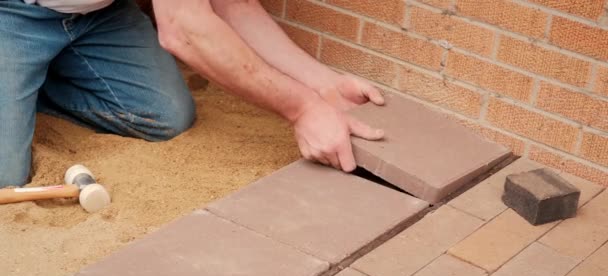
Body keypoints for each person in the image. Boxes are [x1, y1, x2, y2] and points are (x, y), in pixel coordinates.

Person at [0, 0, 385, 189]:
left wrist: (323, 85)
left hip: (98, 15)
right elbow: (183, 29)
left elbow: (232, 4)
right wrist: (302, 109)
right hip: (12, 11)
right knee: (7, 175)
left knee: (165, 115)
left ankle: (33, 81)